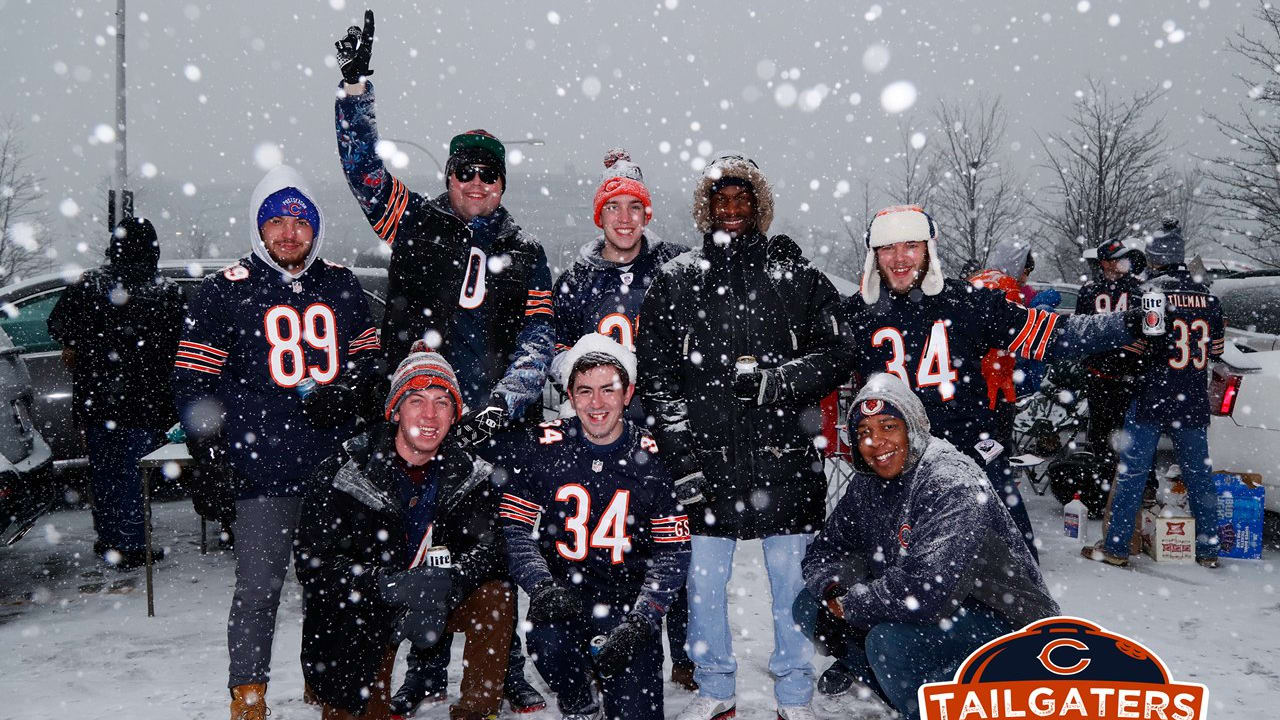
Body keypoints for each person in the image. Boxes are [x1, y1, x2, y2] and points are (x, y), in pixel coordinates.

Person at [332, 11, 552, 713]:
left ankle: (505, 668)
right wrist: (354, 92)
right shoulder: (414, 223)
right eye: (465, 171)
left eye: (490, 174)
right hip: (421, 420)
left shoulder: (529, 253)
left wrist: (501, 405)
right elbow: (363, 168)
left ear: (503, 183)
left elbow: (538, 344)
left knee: (496, 548)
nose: (477, 183)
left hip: (495, 426)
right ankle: (424, 668)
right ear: (450, 175)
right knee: (414, 540)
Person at [637, 153, 853, 720]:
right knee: (703, 589)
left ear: (760, 207)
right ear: (704, 209)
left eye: (742, 200)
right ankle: (715, 689)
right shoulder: (676, 279)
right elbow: (657, 376)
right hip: (706, 466)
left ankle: (794, 693)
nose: (731, 210)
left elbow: (840, 352)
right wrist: (681, 458)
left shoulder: (797, 276)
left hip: (785, 463)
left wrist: (779, 382)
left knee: (792, 590)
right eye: (720, 200)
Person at [173, 165, 384, 720]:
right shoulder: (224, 291)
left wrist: (351, 392)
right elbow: (194, 383)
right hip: (261, 468)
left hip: (334, 470)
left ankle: (327, 683)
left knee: (334, 588)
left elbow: (369, 361)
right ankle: (248, 692)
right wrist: (210, 454)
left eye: (300, 221)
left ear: (315, 227)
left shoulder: (340, 284)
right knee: (259, 589)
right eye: (276, 222)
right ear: (257, 228)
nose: (289, 233)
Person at [845, 205, 1154, 567]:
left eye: (910, 245)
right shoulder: (853, 315)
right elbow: (810, 361)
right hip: (893, 461)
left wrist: (1129, 324)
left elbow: (1053, 335)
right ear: (874, 255)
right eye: (888, 248)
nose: (900, 259)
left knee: (1015, 565)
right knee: (897, 574)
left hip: (969, 453)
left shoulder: (967, 302)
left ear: (929, 248)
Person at [794, 373, 1060, 720]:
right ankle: (895, 684)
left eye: (888, 426)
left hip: (1010, 623)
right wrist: (835, 590)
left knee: (888, 642)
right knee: (808, 606)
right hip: (936, 607)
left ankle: (938, 704)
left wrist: (854, 605)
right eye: (864, 433)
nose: (876, 442)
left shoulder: (952, 480)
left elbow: (926, 591)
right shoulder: (868, 482)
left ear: (915, 427)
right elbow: (827, 550)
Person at [295, 347, 513, 720]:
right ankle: (343, 696)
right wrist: (385, 585)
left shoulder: (472, 473)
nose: (430, 415)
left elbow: (493, 547)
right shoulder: (345, 471)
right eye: (416, 401)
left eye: (442, 402)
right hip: (367, 603)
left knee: (496, 596)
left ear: (455, 414)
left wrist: (450, 581)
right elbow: (313, 564)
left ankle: (477, 711)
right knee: (357, 704)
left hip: (439, 592)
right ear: (395, 410)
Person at [549, 147, 695, 688]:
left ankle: (683, 650)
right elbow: (555, 349)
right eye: (615, 208)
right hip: (602, 430)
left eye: (636, 206)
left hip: (661, 424)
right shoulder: (576, 279)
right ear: (599, 215)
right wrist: (581, 381)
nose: (626, 218)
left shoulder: (675, 266)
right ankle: (597, 642)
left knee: (671, 538)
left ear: (648, 213)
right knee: (606, 538)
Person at [495, 334, 691, 720]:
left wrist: (643, 619)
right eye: (584, 391)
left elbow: (674, 552)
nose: (596, 403)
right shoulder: (543, 447)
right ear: (569, 393)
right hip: (564, 594)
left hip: (628, 600)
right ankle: (577, 700)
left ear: (628, 392)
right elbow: (513, 529)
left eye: (608, 389)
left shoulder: (657, 458)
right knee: (548, 638)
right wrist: (541, 586)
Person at [1083, 218, 1223, 569]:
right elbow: (1216, 350)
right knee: (1199, 475)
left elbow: (1139, 345)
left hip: (1153, 395)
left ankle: (1116, 546)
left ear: (1156, 258)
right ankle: (1208, 548)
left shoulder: (1152, 293)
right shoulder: (1208, 296)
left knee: (1132, 471)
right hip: (1192, 397)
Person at [47, 217, 186, 569]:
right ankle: (133, 544)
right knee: (132, 474)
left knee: (105, 472)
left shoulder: (89, 285)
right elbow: (180, 344)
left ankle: (111, 540)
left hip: (96, 398)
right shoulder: (165, 290)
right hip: (143, 400)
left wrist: (80, 344)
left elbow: (57, 324)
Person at [1076, 237, 1146, 478]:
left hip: (1129, 377)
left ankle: (1129, 485)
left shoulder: (1138, 291)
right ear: (1105, 263)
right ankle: (1103, 484)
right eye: (1118, 259)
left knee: (1129, 436)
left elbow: (1148, 332)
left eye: (1125, 258)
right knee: (1101, 435)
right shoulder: (1089, 292)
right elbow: (1079, 330)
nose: (1124, 262)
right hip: (1099, 377)